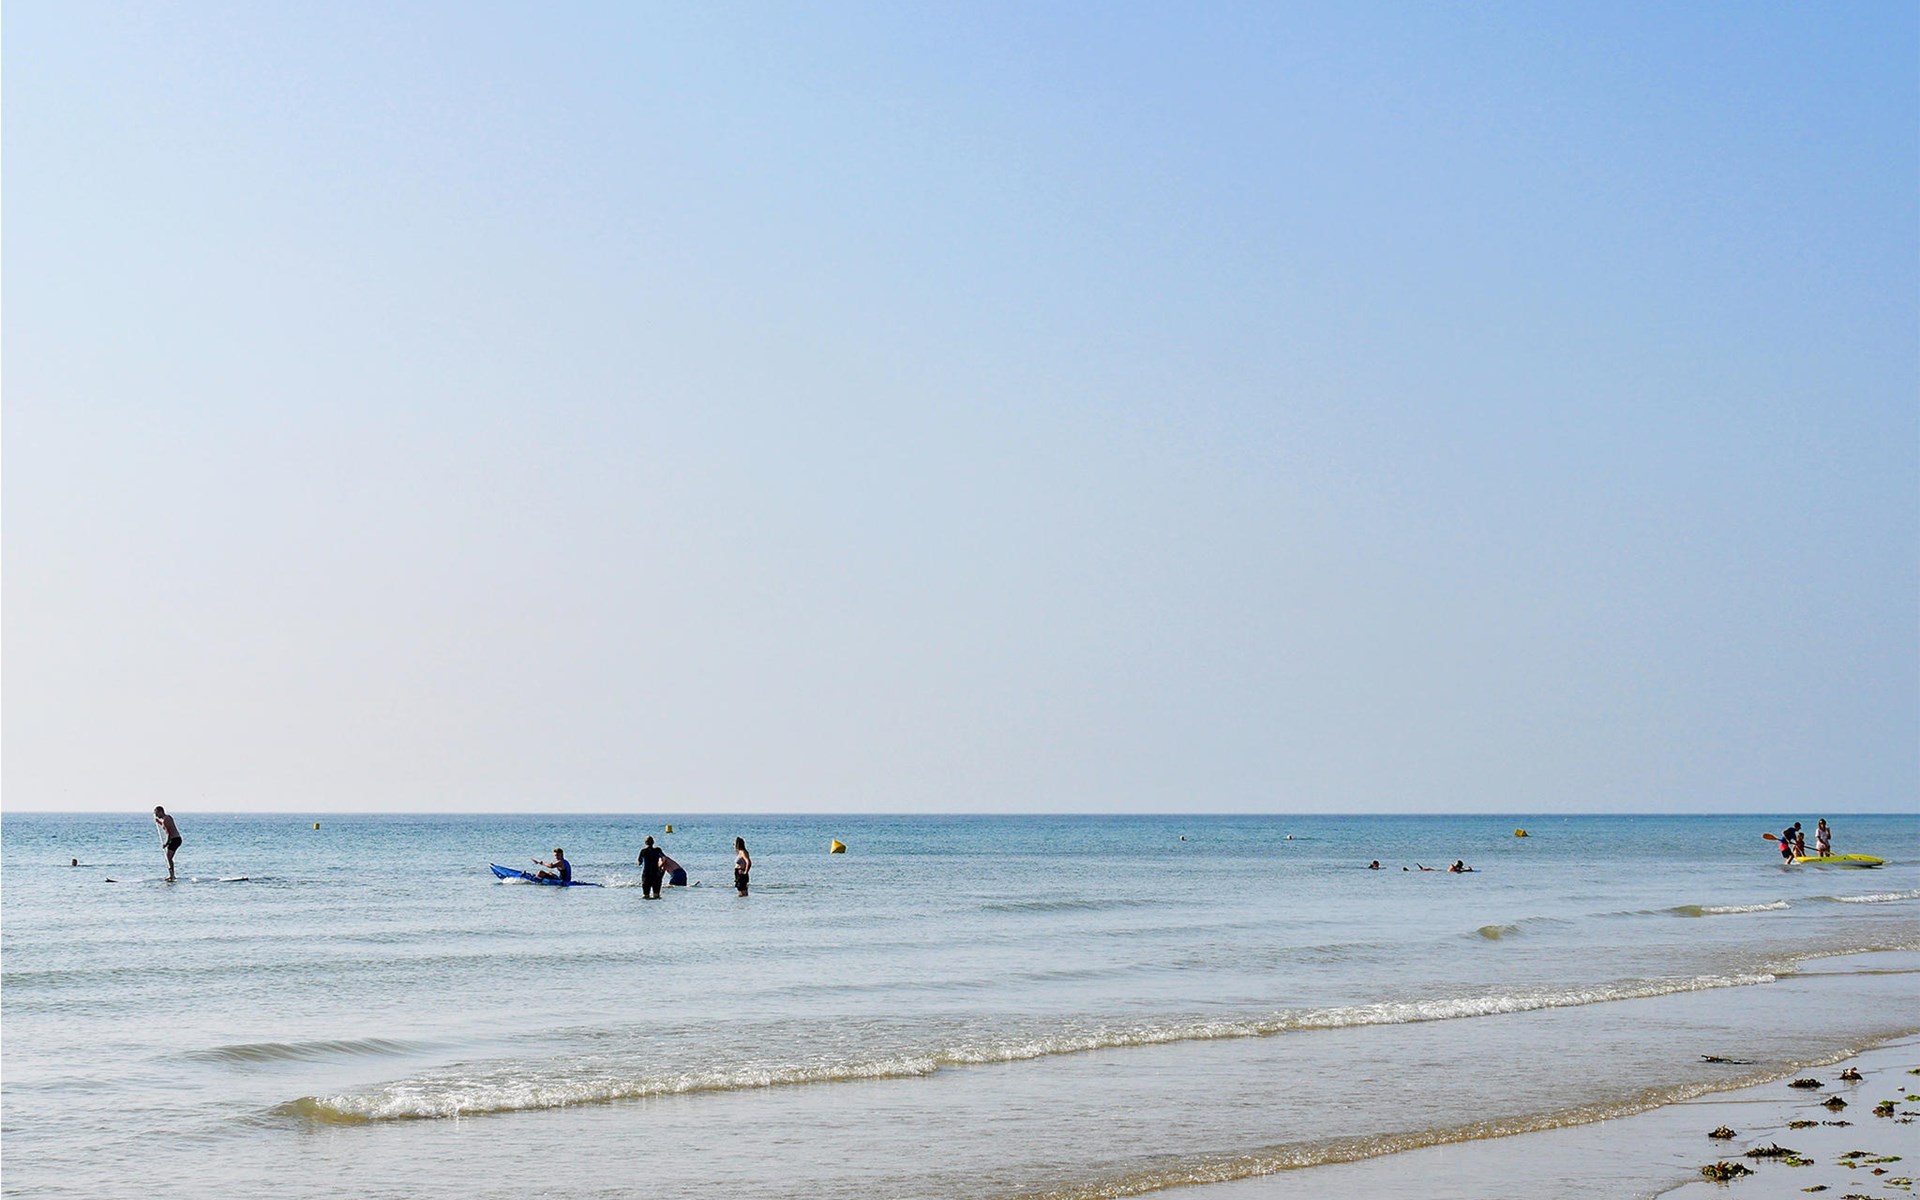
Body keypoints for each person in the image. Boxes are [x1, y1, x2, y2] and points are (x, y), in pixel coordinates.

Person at [153, 807, 182, 881]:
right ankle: (172, 875)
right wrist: (159, 822)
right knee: (169, 857)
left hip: (175, 839)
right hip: (176, 839)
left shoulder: (166, 820)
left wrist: (166, 843)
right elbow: (165, 827)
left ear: (161, 812)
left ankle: (172, 876)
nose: (156, 815)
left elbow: (169, 833)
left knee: (169, 858)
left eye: (157, 813)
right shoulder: (167, 818)